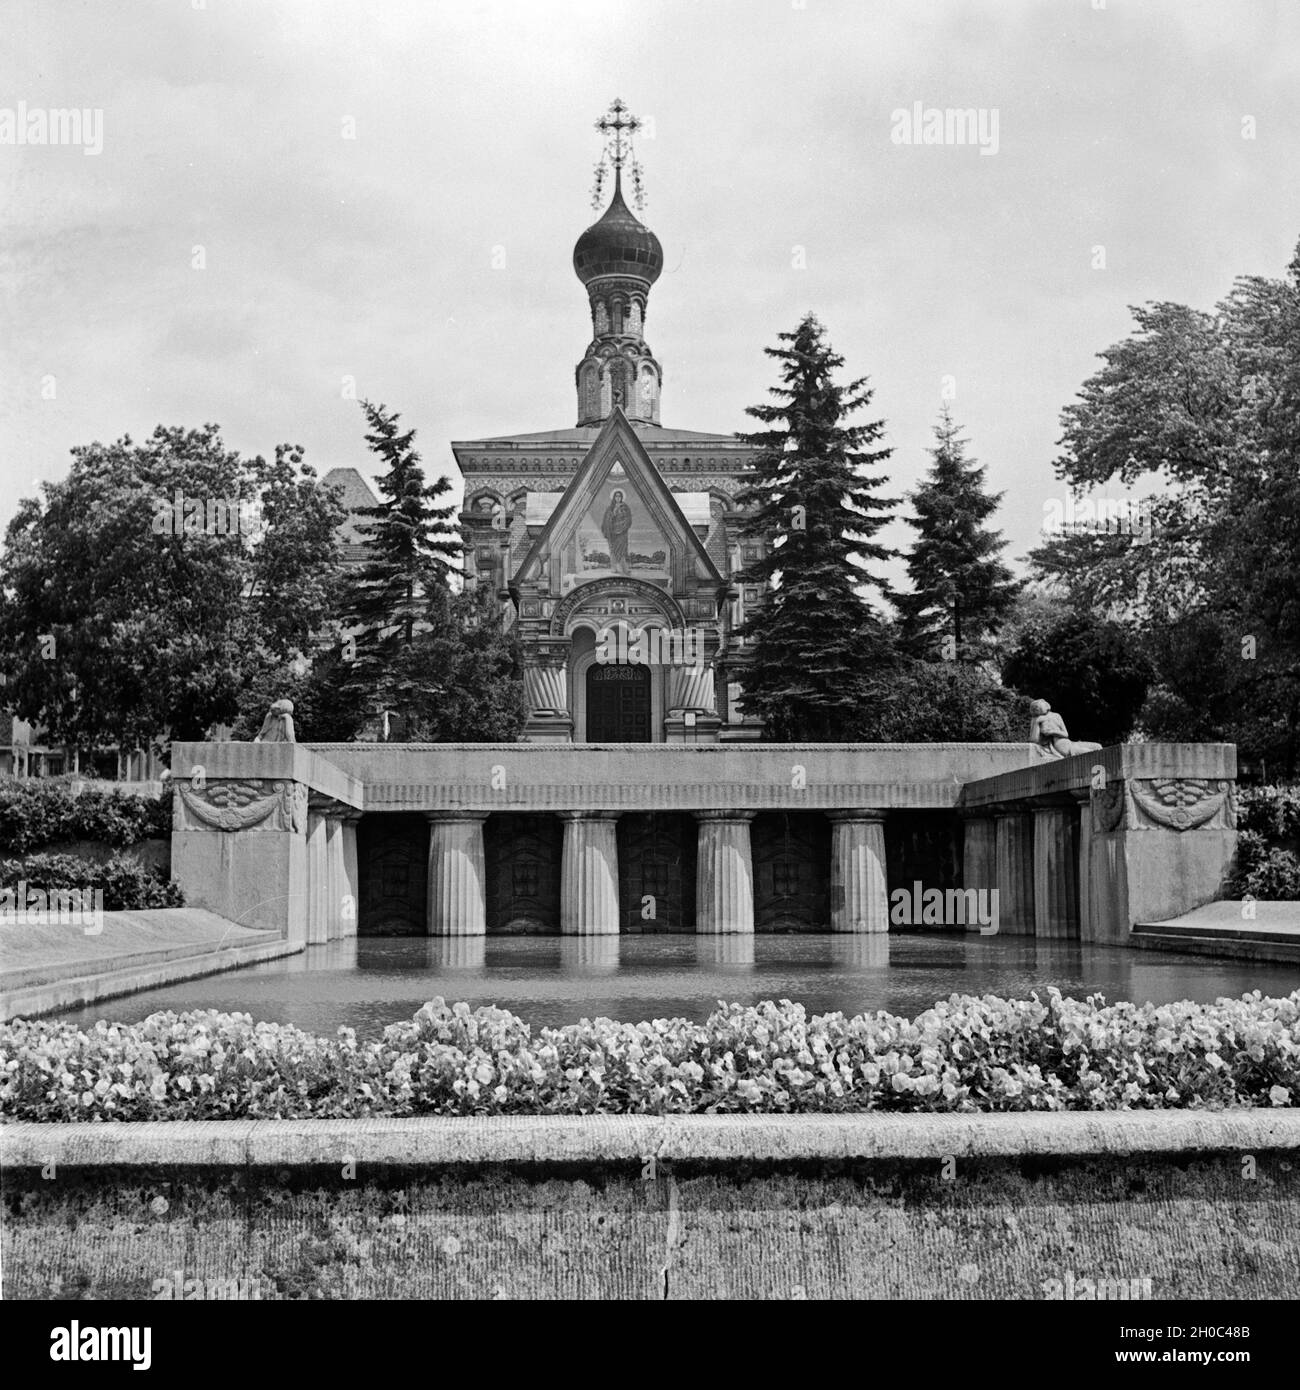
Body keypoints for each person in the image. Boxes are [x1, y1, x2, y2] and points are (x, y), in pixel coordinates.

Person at [1028, 698, 1101, 758]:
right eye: (1035, 709)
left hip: (1071, 743)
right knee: (1093, 753)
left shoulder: (1056, 716)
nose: (1037, 710)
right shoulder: (1037, 719)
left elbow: (1066, 734)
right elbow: (1034, 740)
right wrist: (1037, 723)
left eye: (1038, 707)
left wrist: (1052, 732)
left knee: (1098, 746)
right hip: (1062, 747)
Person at [600, 488, 633, 573]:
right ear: (614, 497)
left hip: (622, 532)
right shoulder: (610, 508)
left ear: (621, 497)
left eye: (619, 496)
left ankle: (624, 567)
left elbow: (628, 520)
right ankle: (614, 567)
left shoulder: (625, 507)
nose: (618, 498)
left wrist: (621, 527)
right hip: (612, 533)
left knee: (622, 550)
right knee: (613, 550)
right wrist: (612, 516)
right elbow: (606, 520)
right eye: (616, 496)